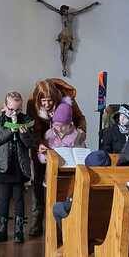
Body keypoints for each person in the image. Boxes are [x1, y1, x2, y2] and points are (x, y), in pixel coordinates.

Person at [27, 78, 86, 237]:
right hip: (44, 145)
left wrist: (80, 131)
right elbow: (34, 128)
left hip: (67, 141)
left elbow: (80, 118)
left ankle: (60, 219)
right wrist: (39, 143)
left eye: (49, 100)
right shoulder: (32, 103)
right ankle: (37, 220)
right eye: (43, 101)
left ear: (56, 97)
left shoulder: (67, 100)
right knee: (39, 182)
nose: (46, 104)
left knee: (63, 181)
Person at [0, 92, 35, 244]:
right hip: (3, 165)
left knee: (19, 198)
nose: (14, 113)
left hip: (19, 165)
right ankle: (2, 229)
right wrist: (10, 131)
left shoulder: (26, 120)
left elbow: (30, 143)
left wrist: (23, 134)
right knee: (3, 198)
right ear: (4, 106)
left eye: (17, 110)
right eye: (11, 109)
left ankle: (18, 230)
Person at [35, 0, 99, 76]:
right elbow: (51, 7)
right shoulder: (61, 15)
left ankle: (64, 68)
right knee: (62, 53)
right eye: (64, 10)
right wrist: (41, 1)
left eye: (66, 10)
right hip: (62, 36)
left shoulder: (72, 15)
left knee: (65, 52)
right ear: (62, 10)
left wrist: (93, 4)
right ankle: (64, 68)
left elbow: (83, 10)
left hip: (69, 37)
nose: (65, 11)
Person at [53, 150, 111, 231]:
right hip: (107, 223)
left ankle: (68, 237)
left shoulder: (86, 180)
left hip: (83, 224)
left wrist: (68, 199)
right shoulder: (115, 179)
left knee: (57, 207)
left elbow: (69, 206)